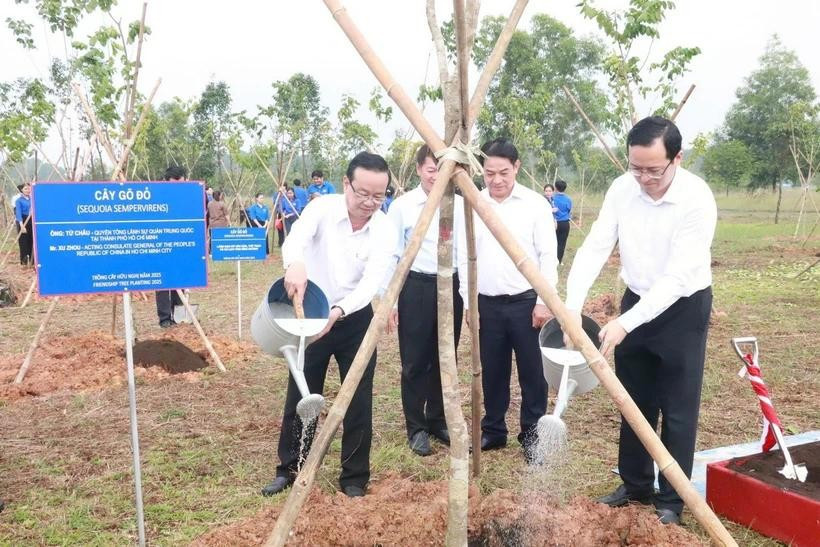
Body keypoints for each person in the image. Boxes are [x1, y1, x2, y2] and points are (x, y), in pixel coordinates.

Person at [564, 116, 717, 526]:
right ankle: (634, 486)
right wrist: (571, 307)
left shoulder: (697, 200)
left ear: (677, 159)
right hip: (636, 298)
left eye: (653, 169)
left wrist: (625, 323)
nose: (644, 177)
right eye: (636, 167)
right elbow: (596, 244)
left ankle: (671, 500)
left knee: (678, 407)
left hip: (682, 307)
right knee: (633, 401)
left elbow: (677, 277)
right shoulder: (622, 188)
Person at [261, 151, 396, 498]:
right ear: (347, 184)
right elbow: (296, 241)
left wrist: (339, 311)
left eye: (378, 196)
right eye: (362, 193)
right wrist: (294, 265)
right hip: (311, 313)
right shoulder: (322, 209)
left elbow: (371, 284)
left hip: (355, 318)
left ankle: (353, 477)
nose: (369, 202)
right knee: (301, 393)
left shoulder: (385, 228)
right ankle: (290, 469)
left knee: (357, 397)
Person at [456, 138, 558, 462]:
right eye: (489, 173)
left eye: (503, 172)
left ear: (517, 168)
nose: (496, 180)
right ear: (480, 172)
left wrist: (544, 299)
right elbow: (462, 257)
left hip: (527, 303)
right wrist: (469, 302)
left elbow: (548, 256)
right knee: (492, 370)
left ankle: (532, 434)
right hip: (487, 303)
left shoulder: (535, 205)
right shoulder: (471, 204)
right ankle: (493, 430)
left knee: (533, 372)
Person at [385, 144, 463, 456]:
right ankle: (416, 427)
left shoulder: (460, 205)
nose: (436, 176)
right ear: (419, 169)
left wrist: (467, 299)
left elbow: (465, 255)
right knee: (415, 360)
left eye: (442, 170)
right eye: (431, 169)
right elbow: (393, 255)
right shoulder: (402, 207)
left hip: (451, 285)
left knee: (446, 356)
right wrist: (390, 301)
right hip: (416, 286)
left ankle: (437, 419)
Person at [155, 166, 187, 328]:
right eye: (176, 184)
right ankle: (165, 318)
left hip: (179, 245)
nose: (179, 188)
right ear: (166, 181)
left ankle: (179, 315)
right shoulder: (156, 195)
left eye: (181, 184)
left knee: (179, 280)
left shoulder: (185, 197)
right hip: (159, 246)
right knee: (162, 283)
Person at [552, 179, 572, 263]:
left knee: (553, 242)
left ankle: (552, 260)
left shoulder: (552, 199)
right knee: (562, 243)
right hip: (564, 223)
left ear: (555, 188)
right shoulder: (568, 199)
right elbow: (569, 210)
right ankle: (559, 261)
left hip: (554, 223)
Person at [14, 183, 32, 266]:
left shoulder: (32, 199)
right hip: (23, 220)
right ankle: (24, 261)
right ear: (21, 190)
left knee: (31, 240)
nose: (28, 190)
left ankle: (32, 260)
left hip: (32, 220)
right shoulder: (19, 200)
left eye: (29, 189)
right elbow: (18, 213)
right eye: (26, 189)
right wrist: (21, 225)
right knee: (23, 241)